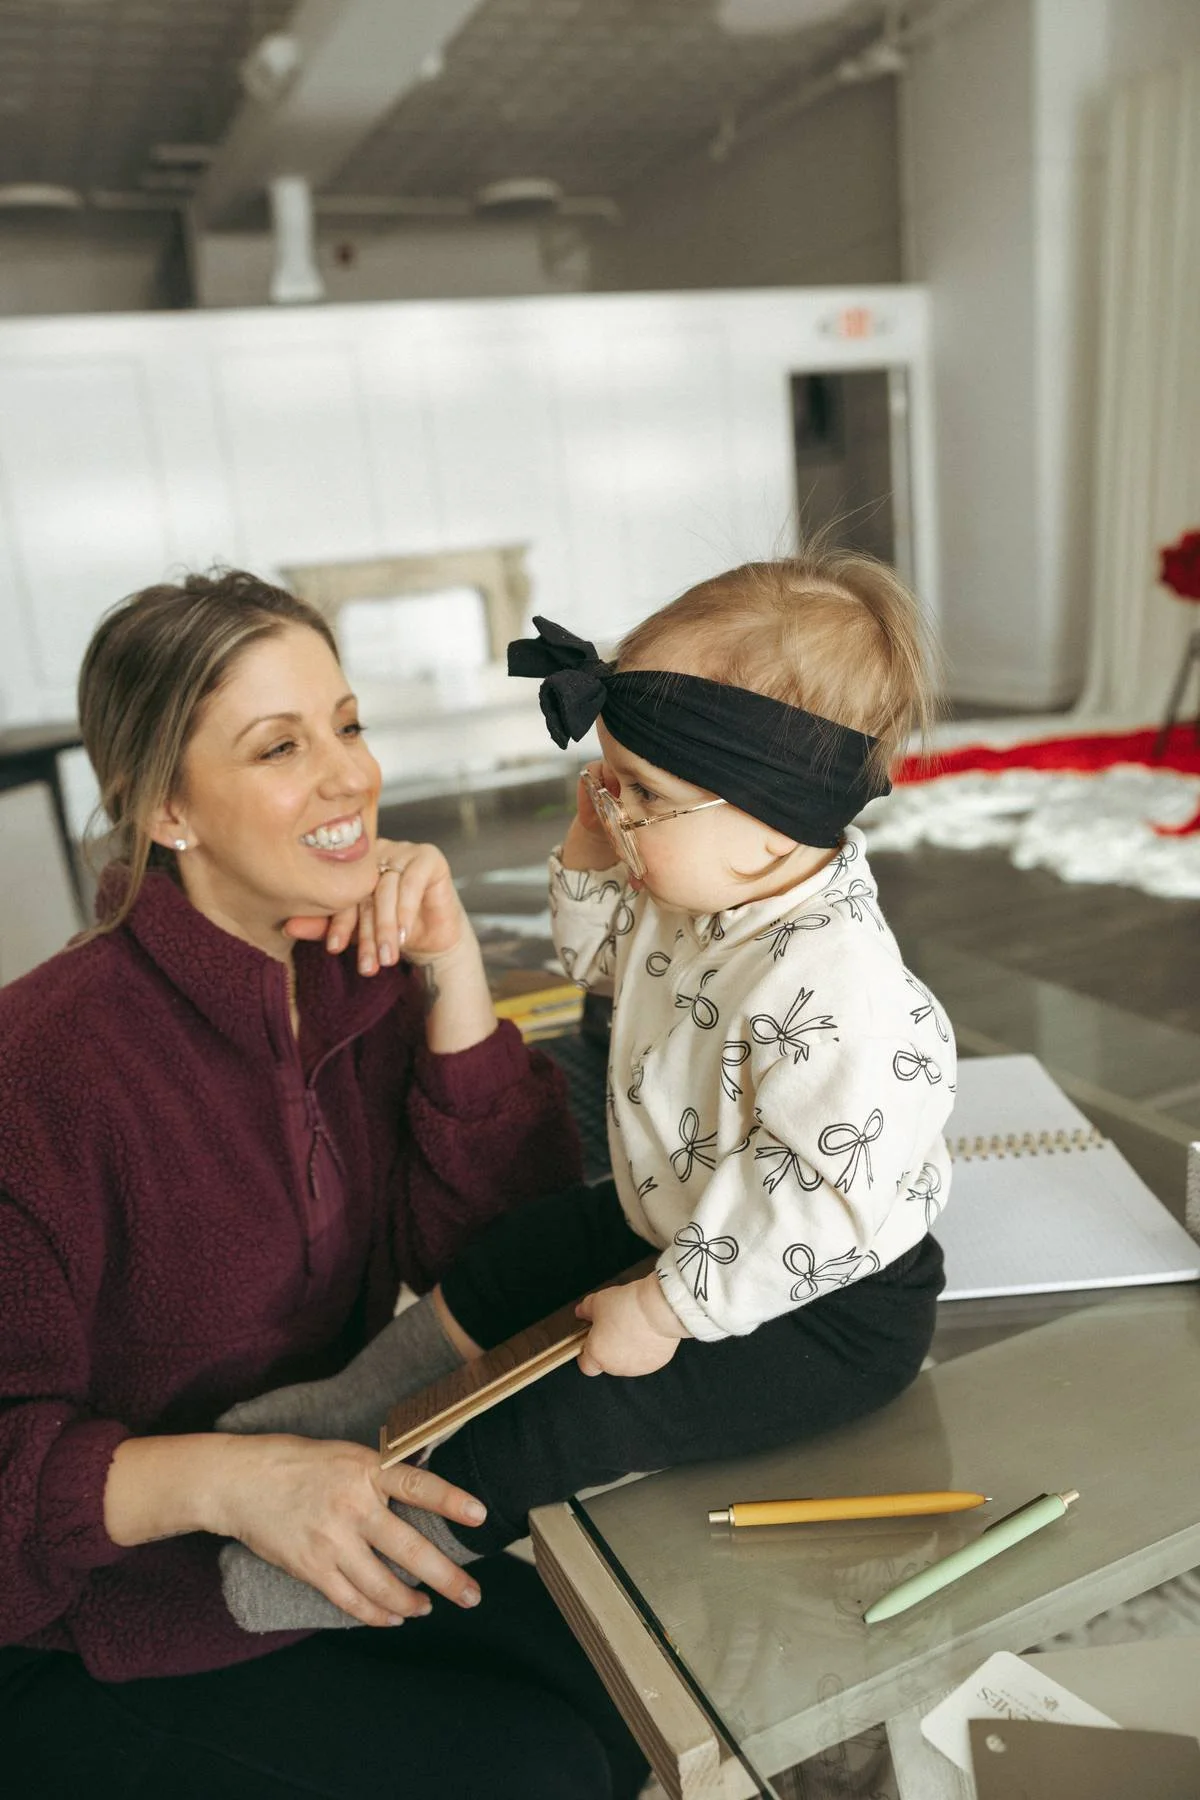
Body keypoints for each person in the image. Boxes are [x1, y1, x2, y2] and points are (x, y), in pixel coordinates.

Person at [215, 549, 957, 1634]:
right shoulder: (699, 884)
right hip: (679, 1219)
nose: (616, 809)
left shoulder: (843, 991)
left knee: (581, 1412)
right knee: (521, 1255)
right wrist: (594, 841)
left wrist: (666, 1309)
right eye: (610, 779)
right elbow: (600, 958)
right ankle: (354, 1405)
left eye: (643, 795)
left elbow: (819, 1206)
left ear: (773, 821)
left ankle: (386, 1541)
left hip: (819, 1307)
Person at [0, 570, 648, 1800]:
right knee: (536, 1771)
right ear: (167, 809)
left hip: (312, 1534)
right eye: (279, 747)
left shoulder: (352, 979)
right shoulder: (39, 1069)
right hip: (82, 1629)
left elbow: (504, 1260)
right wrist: (234, 1479)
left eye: (347, 725)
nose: (350, 775)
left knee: (632, 1692)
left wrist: (454, 973)